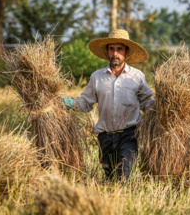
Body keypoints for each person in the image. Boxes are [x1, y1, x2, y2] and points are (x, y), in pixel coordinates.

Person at [63, 29, 155, 181]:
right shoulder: (97, 77)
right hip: (105, 138)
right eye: (111, 49)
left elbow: (146, 102)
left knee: (123, 178)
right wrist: (64, 103)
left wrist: (163, 108)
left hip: (129, 136)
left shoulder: (137, 77)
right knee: (110, 179)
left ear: (127, 52)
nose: (115, 53)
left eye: (119, 49)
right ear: (107, 52)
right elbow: (85, 103)